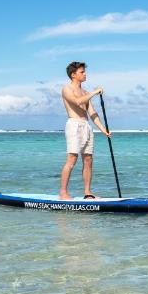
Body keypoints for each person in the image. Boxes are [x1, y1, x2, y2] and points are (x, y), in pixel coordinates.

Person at [59, 61, 110, 199]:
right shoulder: (66, 89)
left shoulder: (85, 92)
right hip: (74, 125)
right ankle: (63, 193)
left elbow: (92, 113)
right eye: (82, 72)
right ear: (73, 75)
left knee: (88, 159)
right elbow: (77, 102)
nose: (85, 74)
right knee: (72, 159)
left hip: (86, 126)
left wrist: (103, 130)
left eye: (84, 71)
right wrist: (94, 92)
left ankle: (87, 193)